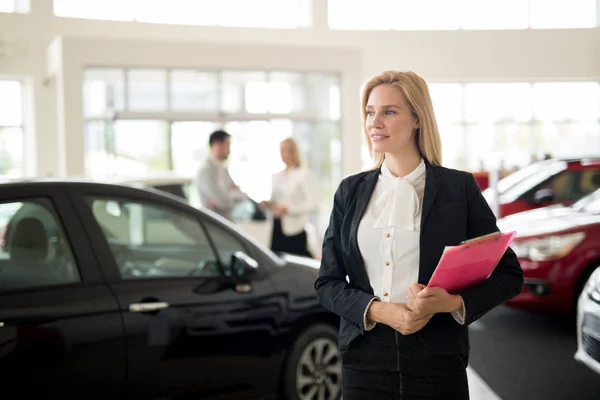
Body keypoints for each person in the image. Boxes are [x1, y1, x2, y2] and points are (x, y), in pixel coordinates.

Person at [314, 70, 523, 399]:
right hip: (363, 360)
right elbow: (327, 283)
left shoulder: (458, 189)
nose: (375, 122)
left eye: (389, 111)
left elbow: (509, 274)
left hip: (437, 359)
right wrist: (382, 311)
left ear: (417, 118)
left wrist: (452, 303)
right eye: (370, 112)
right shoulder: (350, 192)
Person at [261, 138, 318, 258]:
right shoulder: (277, 176)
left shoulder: (303, 175)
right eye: (280, 150)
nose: (281, 154)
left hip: (294, 230)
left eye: (284, 150)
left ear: (292, 152)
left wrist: (289, 209)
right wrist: (269, 204)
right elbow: (275, 201)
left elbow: (312, 204)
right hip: (277, 228)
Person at [195, 130, 246, 220]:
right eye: (227, 145)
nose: (229, 150)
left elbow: (241, 196)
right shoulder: (206, 170)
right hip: (214, 225)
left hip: (226, 222)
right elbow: (223, 202)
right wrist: (231, 193)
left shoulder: (222, 168)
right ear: (217, 145)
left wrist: (227, 195)